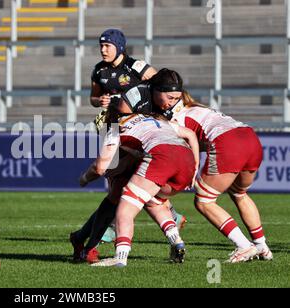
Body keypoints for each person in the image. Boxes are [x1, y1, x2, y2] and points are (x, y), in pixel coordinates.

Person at [125, 68, 272, 263]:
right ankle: (262, 246)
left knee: (204, 201)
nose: (170, 102)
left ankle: (244, 246)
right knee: (239, 193)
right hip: (250, 137)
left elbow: (175, 151)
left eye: (173, 98)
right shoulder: (195, 107)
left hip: (228, 143)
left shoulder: (174, 117)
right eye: (169, 97)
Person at [70, 29, 185, 263]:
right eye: (101, 45)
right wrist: (98, 101)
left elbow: (161, 87)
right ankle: (87, 242)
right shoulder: (99, 70)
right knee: (117, 191)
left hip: (142, 133)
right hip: (114, 129)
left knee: (127, 189)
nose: (103, 49)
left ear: (120, 47)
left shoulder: (137, 67)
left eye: (108, 46)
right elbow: (93, 98)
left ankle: (86, 241)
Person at [80, 97, 200, 267]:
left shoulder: (115, 129)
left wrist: (84, 179)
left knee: (125, 207)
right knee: (154, 201)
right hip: (186, 159)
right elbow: (189, 133)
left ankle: (120, 258)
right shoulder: (149, 118)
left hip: (161, 157)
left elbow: (100, 168)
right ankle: (176, 241)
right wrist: (195, 167)